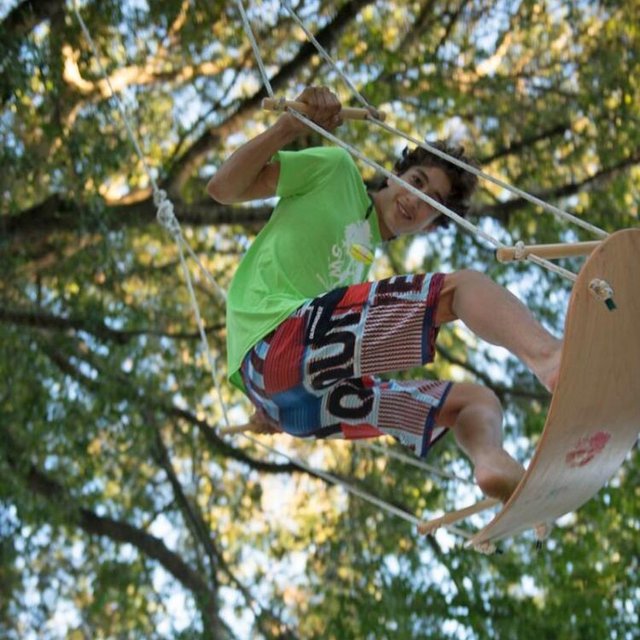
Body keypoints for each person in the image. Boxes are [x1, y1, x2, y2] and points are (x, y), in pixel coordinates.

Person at [207, 86, 561, 503]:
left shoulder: (360, 268)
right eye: (415, 181)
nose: (414, 199)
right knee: (461, 288)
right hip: (271, 341)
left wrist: (273, 401)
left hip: (289, 401)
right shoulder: (335, 170)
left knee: (475, 401)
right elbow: (222, 189)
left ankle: (492, 461)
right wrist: (287, 127)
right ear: (394, 173)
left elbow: (315, 344)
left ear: (432, 225)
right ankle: (553, 360)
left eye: (432, 203)